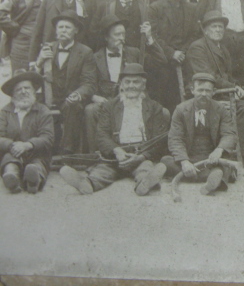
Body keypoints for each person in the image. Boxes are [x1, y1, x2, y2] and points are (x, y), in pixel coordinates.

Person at [59, 64, 169, 196]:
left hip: (140, 154)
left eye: (136, 82)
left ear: (143, 85)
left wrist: (141, 157)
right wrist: (117, 151)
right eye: (127, 82)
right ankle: (87, 184)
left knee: (145, 168)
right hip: (114, 156)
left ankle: (144, 183)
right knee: (102, 171)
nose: (131, 86)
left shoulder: (154, 107)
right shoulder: (109, 106)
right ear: (121, 85)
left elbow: (158, 140)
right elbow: (102, 135)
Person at [186, 10, 244, 166]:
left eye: (221, 27)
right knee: (243, 107)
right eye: (214, 27)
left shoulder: (223, 48)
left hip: (225, 93)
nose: (218, 30)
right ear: (205, 30)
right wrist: (233, 88)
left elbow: (228, 77)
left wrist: (235, 87)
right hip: (209, 95)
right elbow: (208, 77)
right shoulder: (198, 48)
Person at [85, 14, 166, 151]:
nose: (122, 38)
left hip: (134, 97)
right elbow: (89, 81)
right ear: (106, 37)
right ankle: (96, 153)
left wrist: (149, 38)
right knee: (90, 110)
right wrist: (94, 96)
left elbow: (161, 61)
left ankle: (149, 152)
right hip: (107, 100)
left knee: (163, 112)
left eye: (123, 34)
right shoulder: (95, 57)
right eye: (117, 35)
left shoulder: (134, 53)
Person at [161, 73, 238, 196]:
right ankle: (212, 177)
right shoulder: (181, 109)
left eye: (208, 91)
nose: (204, 94)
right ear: (192, 90)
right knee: (166, 160)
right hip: (189, 156)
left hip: (212, 158)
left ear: (214, 92)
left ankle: (204, 177)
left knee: (224, 164)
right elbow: (175, 138)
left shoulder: (221, 109)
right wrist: (184, 161)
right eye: (200, 90)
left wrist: (218, 150)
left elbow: (229, 134)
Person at [34, 11, 97, 154]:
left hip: (70, 98)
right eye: (60, 27)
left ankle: (67, 152)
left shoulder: (85, 52)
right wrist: (39, 62)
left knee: (72, 106)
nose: (63, 30)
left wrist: (78, 94)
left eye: (67, 27)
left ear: (76, 31)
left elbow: (89, 83)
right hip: (48, 98)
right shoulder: (47, 49)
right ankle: (40, 151)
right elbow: (33, 80)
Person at [148, 0, 200, 111]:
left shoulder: (192, 8)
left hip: (185, 59)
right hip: (162, 60)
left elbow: (195, 34)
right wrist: (171, 53)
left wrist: (182, 52)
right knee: (164, 98)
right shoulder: (155, 8)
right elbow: (153, 35)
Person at [29, 0, 98, 64]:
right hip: (51, 54)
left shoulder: (89, 1)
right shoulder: (48, 0)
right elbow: (37, 32)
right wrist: (32, 60)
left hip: (79, 57)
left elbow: (92, 33)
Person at [0, 71, 54, 194]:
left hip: (36, 152)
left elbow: (48, 137)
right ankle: (12, 178)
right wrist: (11, 145)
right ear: (13, 94)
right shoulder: (5, 112)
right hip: (13, 152)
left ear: (34, 91)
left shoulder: (43, 111)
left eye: (27, 88)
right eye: (18, 89)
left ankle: (33, 181)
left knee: (37, 164)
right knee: (9, 161)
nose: (23, 92)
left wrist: (28, 145)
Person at [0, 0, 58, 72]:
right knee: (21, 77)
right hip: (23, 46)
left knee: (46, 78)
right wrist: (14, 29)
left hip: (47, 46)